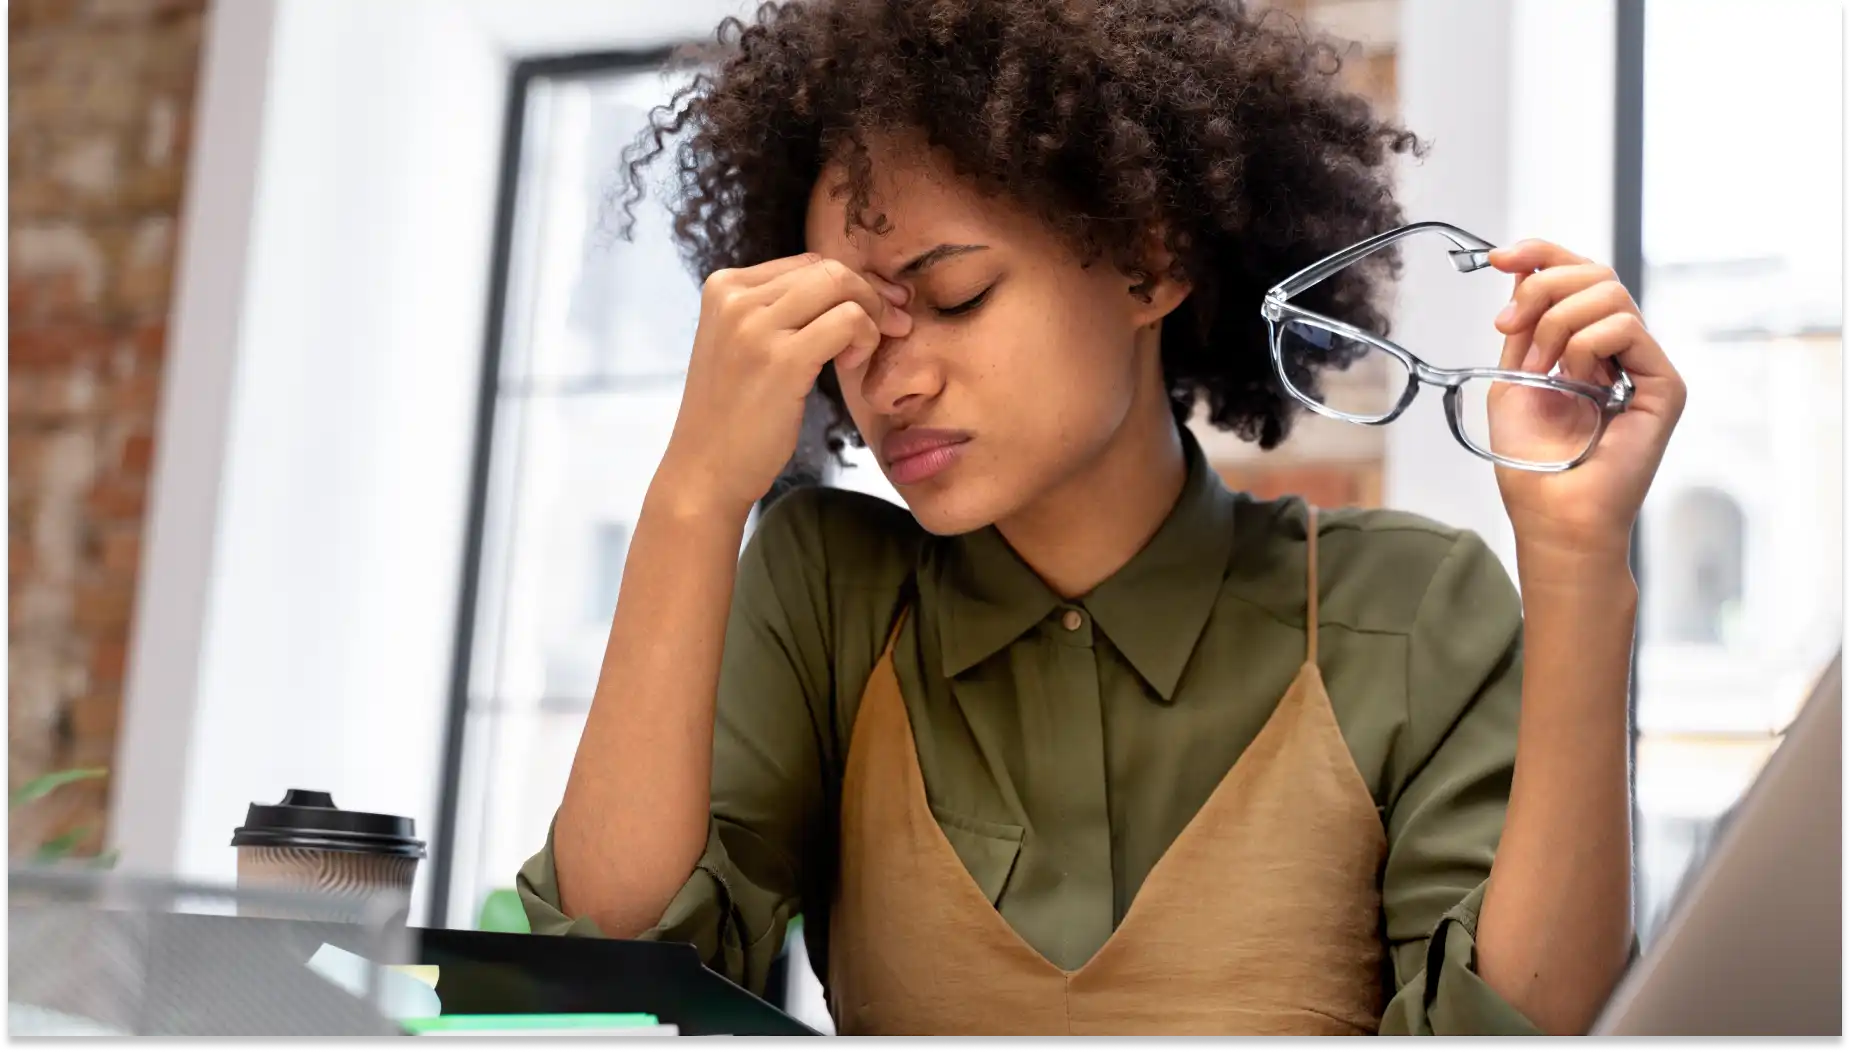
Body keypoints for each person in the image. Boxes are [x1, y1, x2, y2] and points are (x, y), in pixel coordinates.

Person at [517, 0, 1685, 1037]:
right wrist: (693, 494)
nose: (892, 380)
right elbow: (611, 980)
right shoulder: (827, 590)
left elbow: (1523, 1019)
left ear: (1147, 260)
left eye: (956, 294)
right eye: (853, 326)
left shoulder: (1407, 608)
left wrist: (1576, 561)